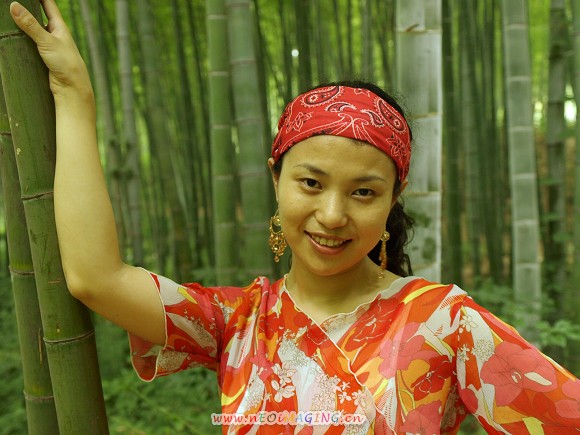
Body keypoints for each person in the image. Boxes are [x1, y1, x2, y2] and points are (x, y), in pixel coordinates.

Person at [9, 1, 580, 434]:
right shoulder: (236, 322)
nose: (332, 215)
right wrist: (73, 96)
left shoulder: (443, 322)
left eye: (364, 192)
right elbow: (94, 276)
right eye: (311, 183)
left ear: (393, 200)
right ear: (275, 178)